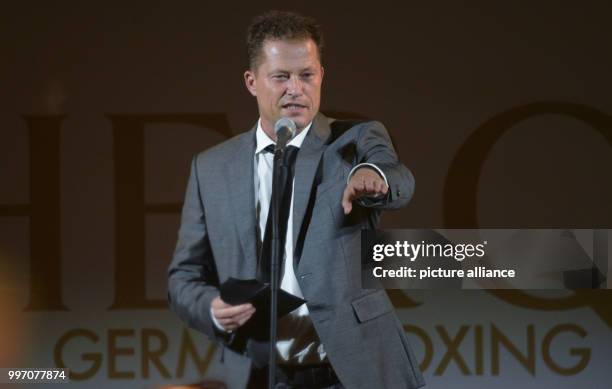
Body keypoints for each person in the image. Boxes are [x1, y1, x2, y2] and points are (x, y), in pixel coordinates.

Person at [168, 10, 425, 389]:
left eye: (306, 75)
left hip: (353, 370)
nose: (296, 88)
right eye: (281, 77)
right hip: (261, 372)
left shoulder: (353, 141)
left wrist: (374, 177)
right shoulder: (211, 168)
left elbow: (395, 174)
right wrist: (212, 309)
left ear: (321, 75)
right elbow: (183, 278)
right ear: (252, 82)